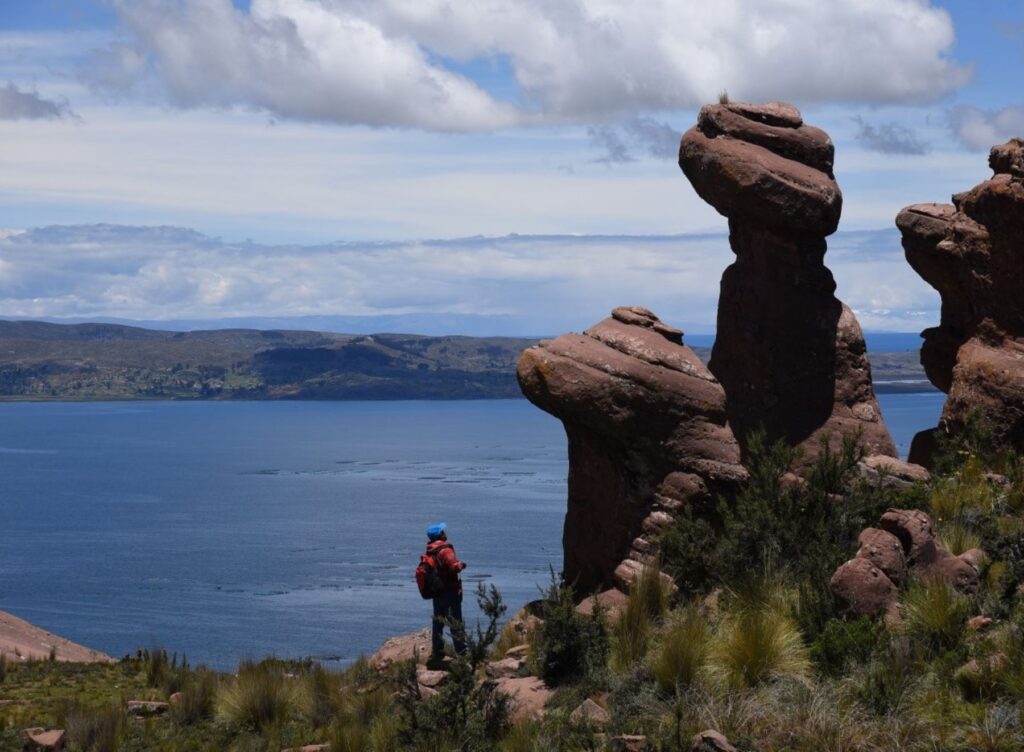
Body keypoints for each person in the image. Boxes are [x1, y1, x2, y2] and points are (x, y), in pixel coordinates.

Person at [425, 522, 467, 667]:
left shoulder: (430, 550)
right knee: (455, 623)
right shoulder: (445, 550)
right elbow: (453, 567)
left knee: (438, 622)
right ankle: (462, 654)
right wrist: (461, 565)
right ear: (440, 535)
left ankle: (438, 652)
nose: (445, 532)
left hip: (437, 592)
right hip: (450, 591)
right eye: (443, 531)